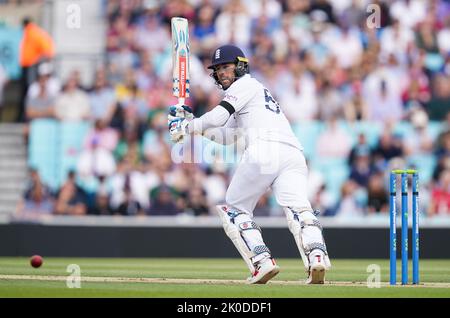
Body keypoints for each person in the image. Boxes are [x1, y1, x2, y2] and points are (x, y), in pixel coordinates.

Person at [168, 45, 331, 284]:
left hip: (265, 150)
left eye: (226, 66)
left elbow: (218, 117)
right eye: (218, 69)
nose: (221, 72)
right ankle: (317, 256)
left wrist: (186, 128)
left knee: (234, 210)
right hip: (292, 153)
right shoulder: (251, 96)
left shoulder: (245, 85)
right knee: (299, 209)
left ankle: (262, 261)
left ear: (240, 66)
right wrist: (191, 124)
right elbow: (227, 136)